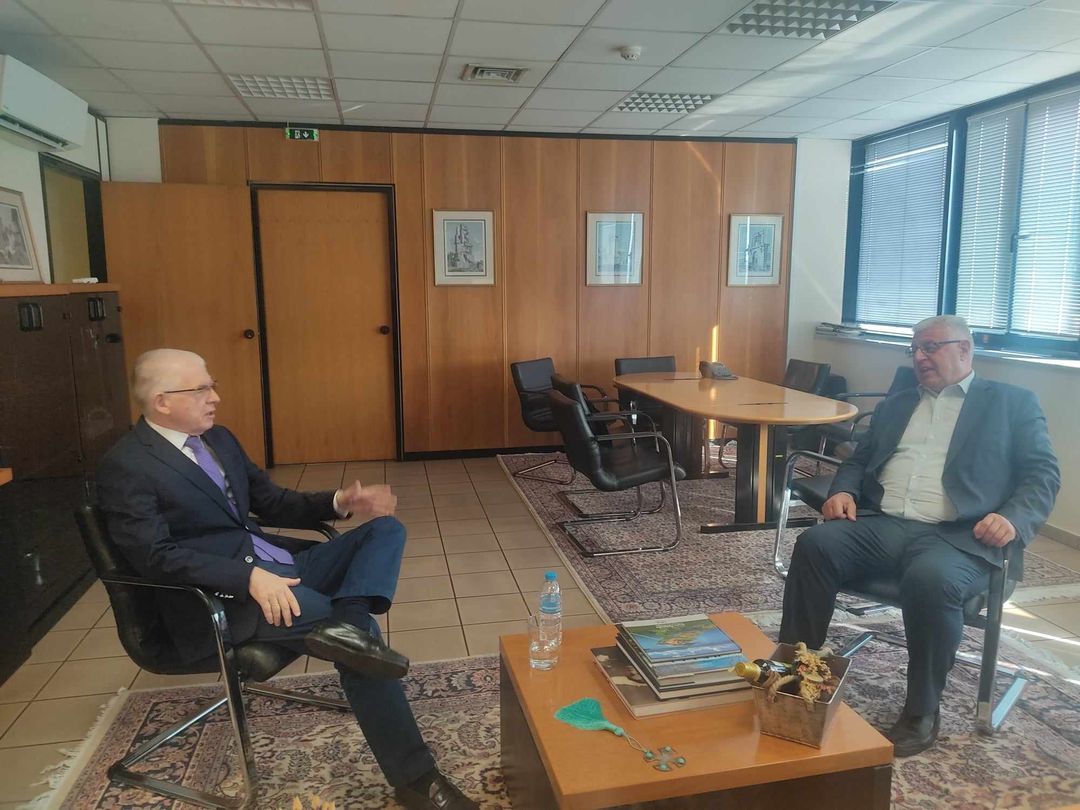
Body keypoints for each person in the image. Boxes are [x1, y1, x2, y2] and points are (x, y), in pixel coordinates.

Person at [96, 349, 477, 809]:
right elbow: (153, 557)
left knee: (385, 531)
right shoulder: (127, 465)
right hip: (229, 595)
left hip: (282, 566)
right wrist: (247, 578)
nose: (215, 397)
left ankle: (350, 623)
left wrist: (339, 501)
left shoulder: (218, 439)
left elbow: (272, 502)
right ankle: (418, 780)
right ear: (162, 401)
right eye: (201, 389)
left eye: (212, 385)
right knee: (362, 649)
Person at [779, 315, 1060, 757]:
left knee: (930, 578)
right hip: (886, 524)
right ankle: (796, 669)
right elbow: (858, 459)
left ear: (964, 349)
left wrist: (1012, 517)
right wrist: (843, 490)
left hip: (960, 536)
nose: (920, 357)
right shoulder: (897, 404)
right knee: (815, 544)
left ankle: (921, 711)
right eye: (915, 349)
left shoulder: (1012, 403)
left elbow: (1042, 475)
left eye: (930, 347)